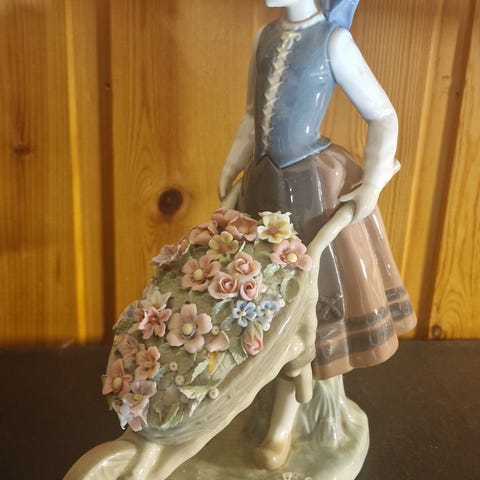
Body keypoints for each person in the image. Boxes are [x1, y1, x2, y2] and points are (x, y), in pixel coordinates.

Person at [219, 0, 417, 470]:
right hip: (262, 186)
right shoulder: (265, 37)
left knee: (304, 306)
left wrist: (371, 184)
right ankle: (253, 405)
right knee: (260, 302)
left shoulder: (333, 40)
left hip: (311, 189)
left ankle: (283, 427)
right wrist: (231, 166)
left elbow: (383, 115)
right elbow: (251, 114)